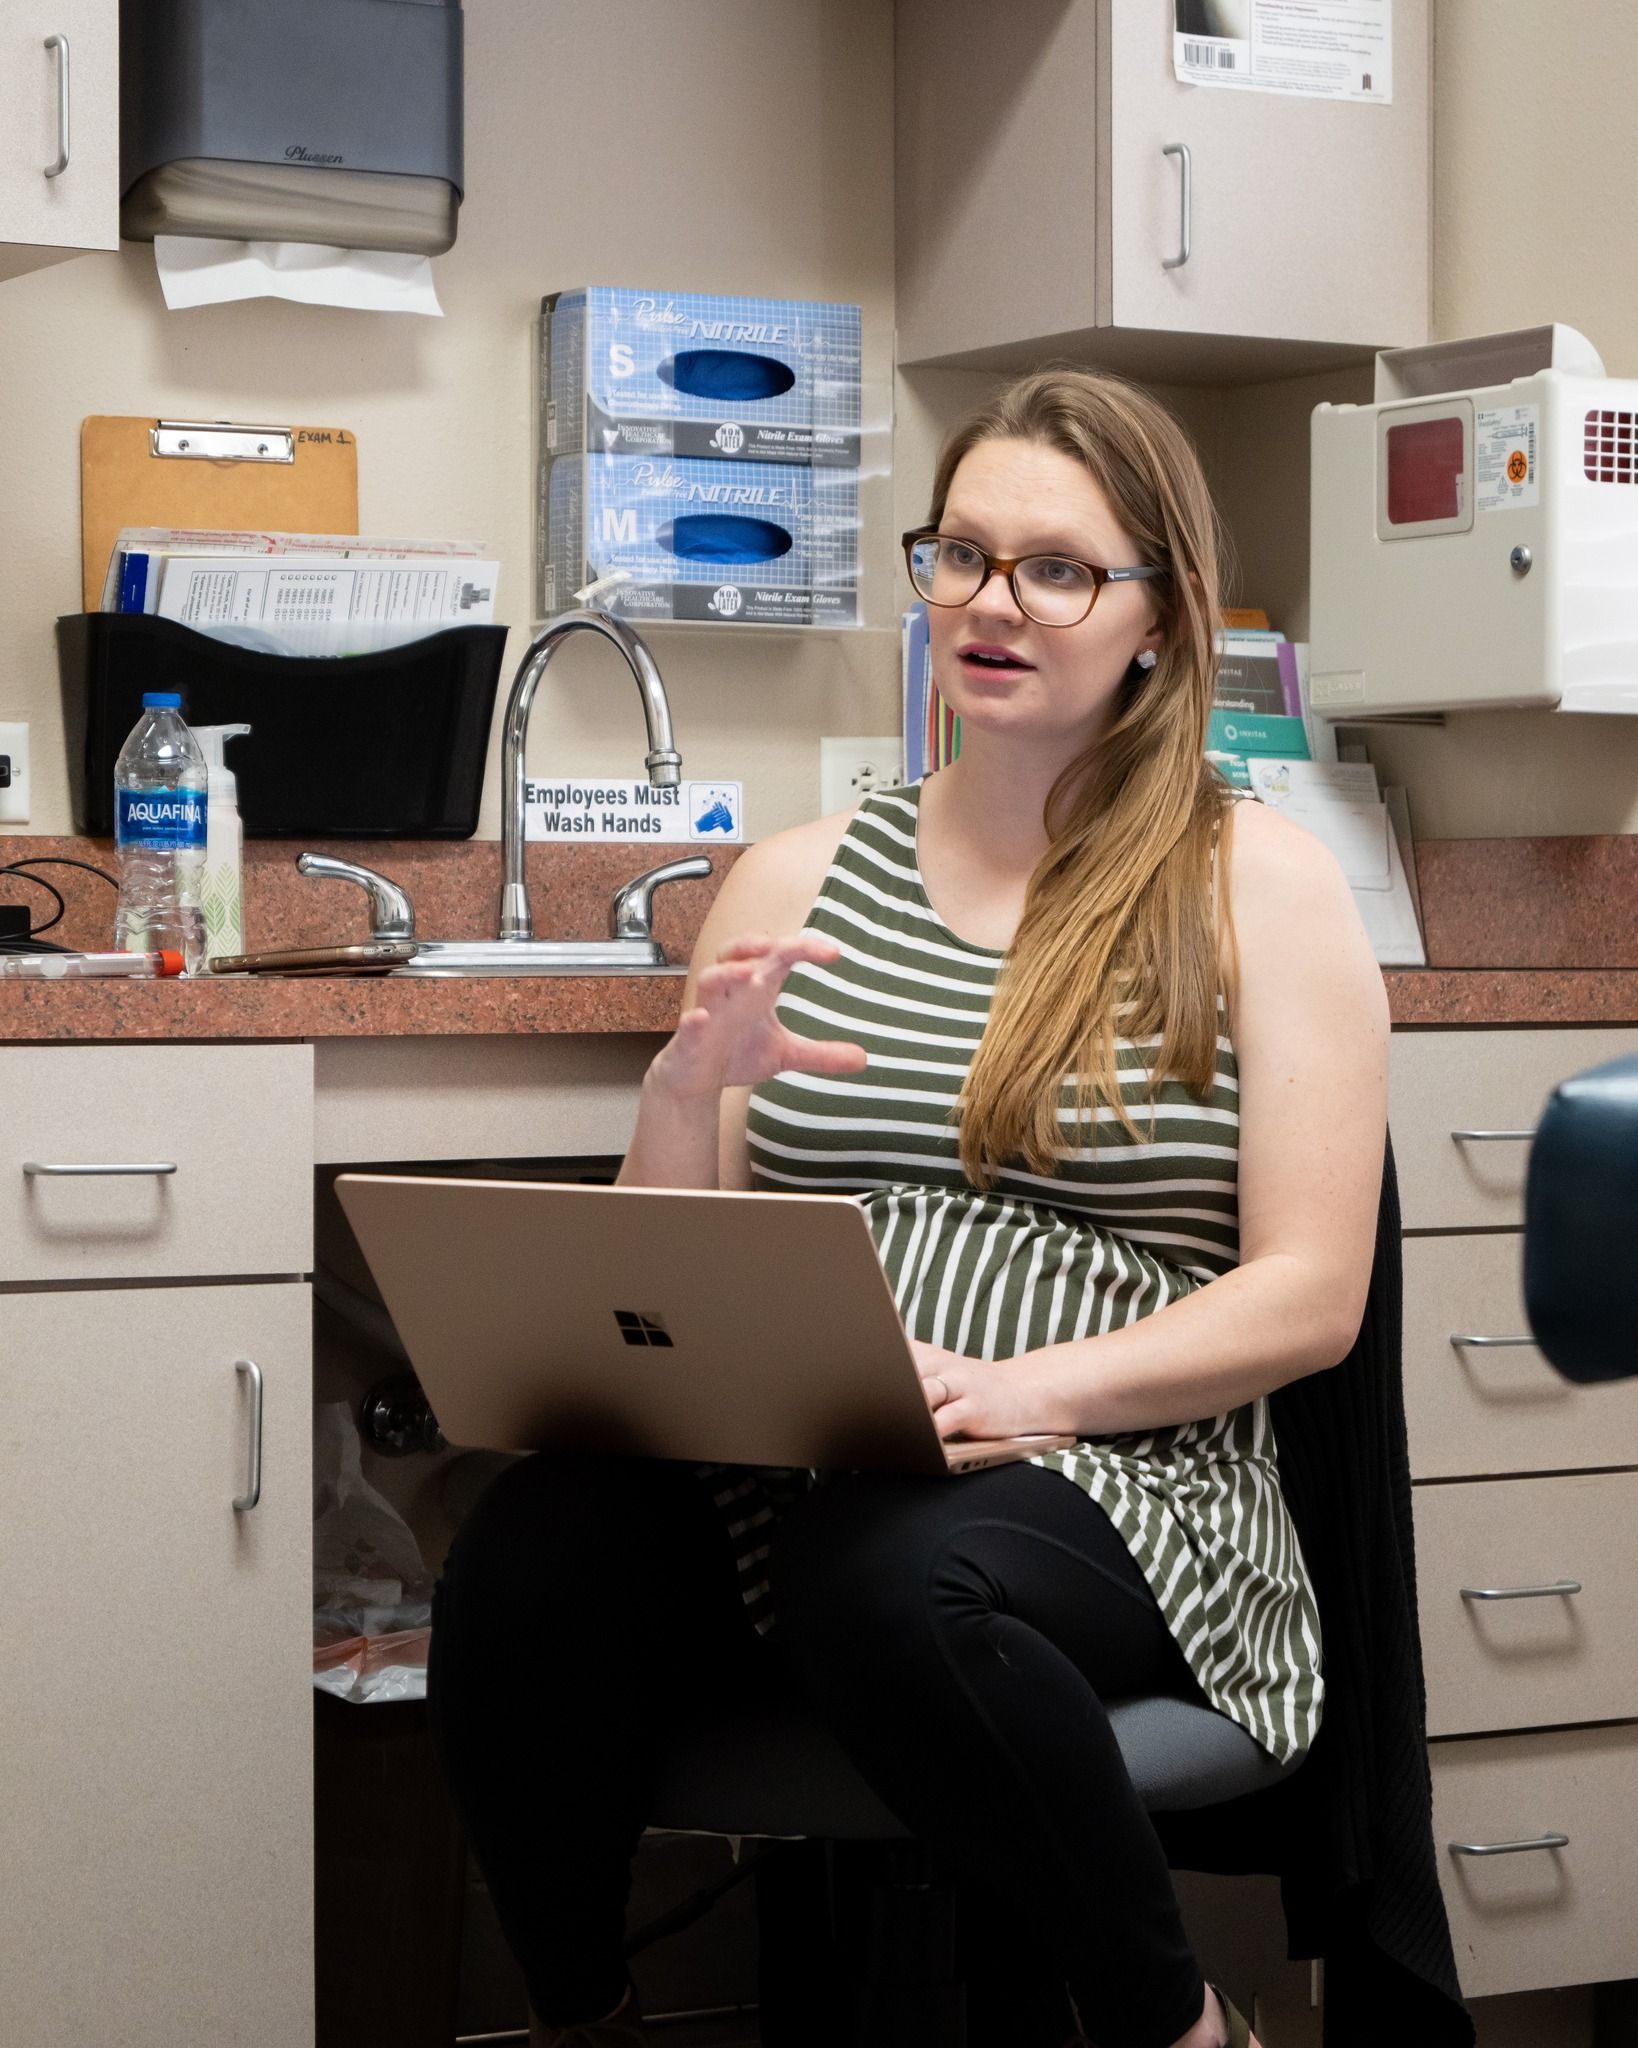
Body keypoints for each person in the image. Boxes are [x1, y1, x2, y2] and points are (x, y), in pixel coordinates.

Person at [426, 368, 1390, 2048]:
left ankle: (1176, 2030)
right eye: (960, 555)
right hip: (796, 1460)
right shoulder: (796, 875)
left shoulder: (1258, 885)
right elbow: (676, 1282)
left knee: (882, 1574)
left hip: (1118, 1474)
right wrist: (677, 1091)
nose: (991, 604)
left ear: (1158, 616)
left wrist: (1020, 1396)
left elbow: (1309, 1294)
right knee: (529, 1549)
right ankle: (586, 2017)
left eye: (1056, 569)